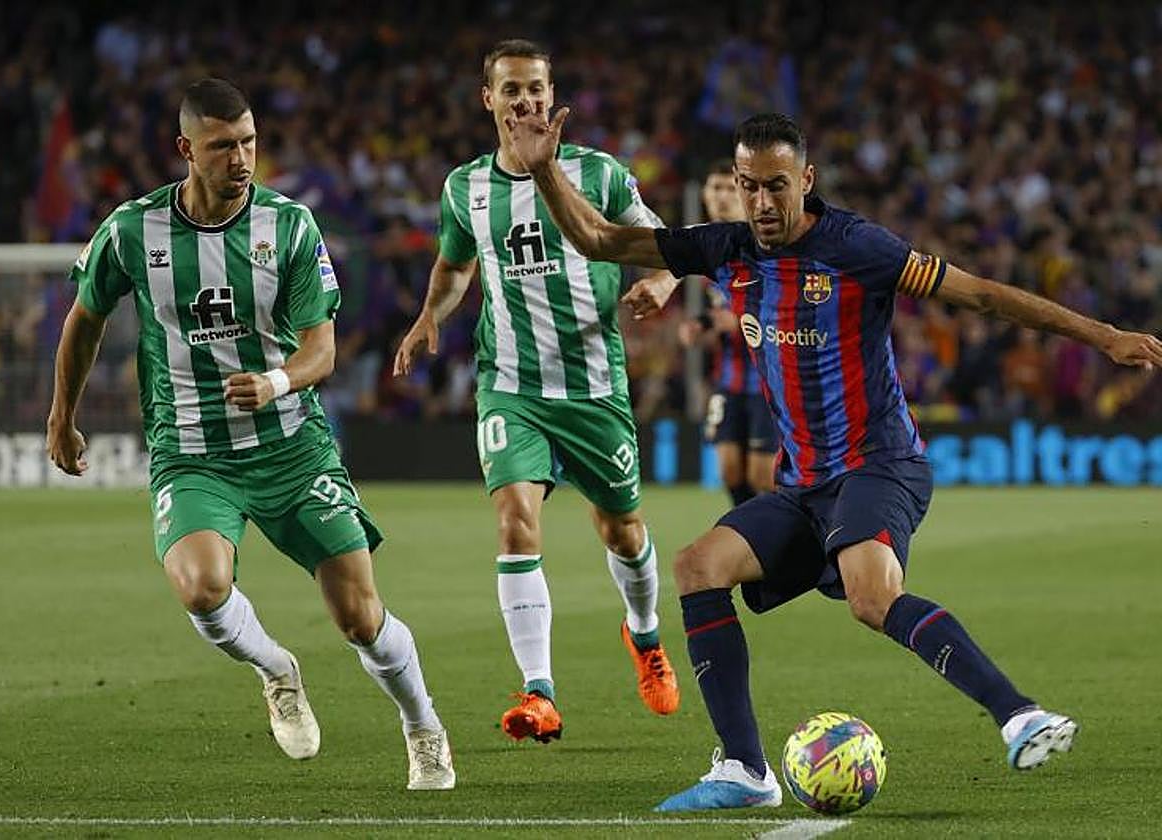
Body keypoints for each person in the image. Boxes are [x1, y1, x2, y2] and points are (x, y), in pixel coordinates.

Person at [505, 107, 1162, 808]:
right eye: (749, 186)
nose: (762, 202)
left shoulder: (857, 247)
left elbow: (984, 296)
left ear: (806, 180)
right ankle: (745, 771)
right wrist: (544, 170)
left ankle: (1019, 714)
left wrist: (1104, 336)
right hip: (805, 485)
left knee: (869, 597)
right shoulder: (726, 249)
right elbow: (600, 239)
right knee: (699, 566)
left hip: (880, 464)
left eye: (777, 185)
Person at [46, 78, 455, 791]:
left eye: (249, 142)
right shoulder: (133, 230)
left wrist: (275, 382)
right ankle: (276, 669)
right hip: (192, 451)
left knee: (359, 617)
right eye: (222, 147)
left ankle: (422, 726)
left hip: (291, 446)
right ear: (185, 149)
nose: (240, 159)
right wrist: (62, 415)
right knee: (201, 588)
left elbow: (322, 350)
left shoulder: (289, 226)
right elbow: (85, 317)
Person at [393, 39, 680, 743]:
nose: (525, 101)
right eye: (512, 90)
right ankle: (539, 690)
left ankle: (644, 635)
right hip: (510, 386)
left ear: (552, 98)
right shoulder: (465, 188)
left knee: (622, 530)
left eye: (536, 90)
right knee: (515, 520)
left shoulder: (599, 174)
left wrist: (661, 282)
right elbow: (455, 266)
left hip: (594, 387)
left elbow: (664, 244)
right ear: (488, 99)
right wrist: (431, 315)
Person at [678, 160, 778, 506]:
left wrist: (740, 321)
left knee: (763, 476)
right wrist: (701, 324)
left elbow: (780, 306)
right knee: (730, 470)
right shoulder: (709, 247)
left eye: (728, 188)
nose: (720, 196)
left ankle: (787, 531)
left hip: (768, 381)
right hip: (729, 379)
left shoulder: (764, 242)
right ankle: (752, 532)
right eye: (714, 188)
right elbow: (722, 305)